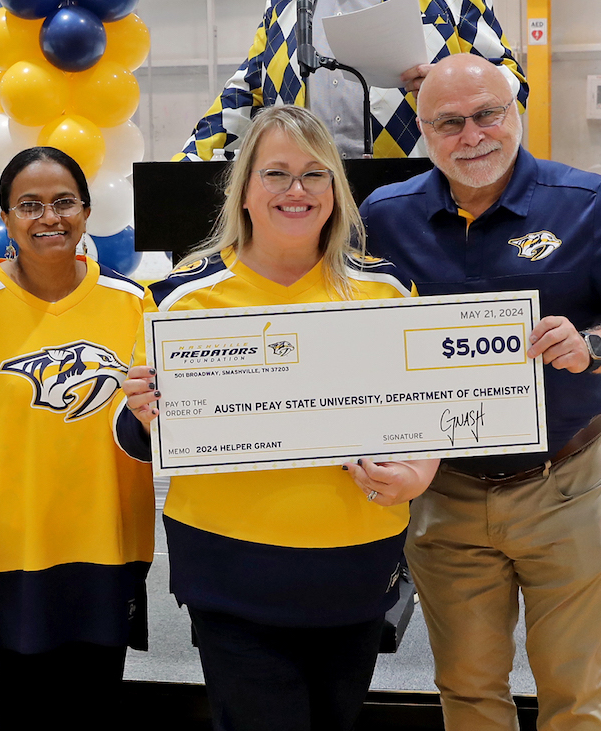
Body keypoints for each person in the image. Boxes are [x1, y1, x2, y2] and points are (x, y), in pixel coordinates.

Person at [359, 54, 601, 730]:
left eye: (487, 114)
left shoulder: (591, 204)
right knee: (468, 688)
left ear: (517, 114)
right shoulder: (385, 218)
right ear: (422, 130)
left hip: (565, 478)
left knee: (575, 687)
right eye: (449, 122)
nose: (472, 134)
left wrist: (593, 346)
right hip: (444, 491)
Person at [117, 104, 437, 731]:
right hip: (232, 571)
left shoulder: (387, 292)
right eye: (276, 173)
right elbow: (132, 439)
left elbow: (425, 422)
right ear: (243, 189)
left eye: (315, 174)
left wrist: (419, 471)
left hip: (355, 566)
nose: (297, 190)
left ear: (336, 191)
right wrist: (145, 413)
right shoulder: (184, 298)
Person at [0, 147, 155, 731]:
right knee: (20, 712)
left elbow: (150, 429)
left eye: (64, 202)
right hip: (11, 557)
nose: (50, 217)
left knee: (95, 708)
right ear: (6, 217)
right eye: (30, 205)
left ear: (87, 210)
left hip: (109, 548)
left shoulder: (134, 304)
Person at [175, 0, 529, 161]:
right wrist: (184, 163)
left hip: (417, 196)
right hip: (307, 199)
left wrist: (454, 83)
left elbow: (512, 79)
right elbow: (245, 95)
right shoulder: (283, 8)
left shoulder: (447, 3)